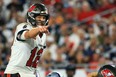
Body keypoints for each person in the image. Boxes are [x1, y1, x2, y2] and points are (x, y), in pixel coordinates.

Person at [4, 3, 50, 77]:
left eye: (43, 17)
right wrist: (38, 29)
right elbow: (28, 34)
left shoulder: (43, 36)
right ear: (32, 17)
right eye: (39, 17)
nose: (41, 20)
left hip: (29, 73)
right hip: (15, 72)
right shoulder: (23, 26)